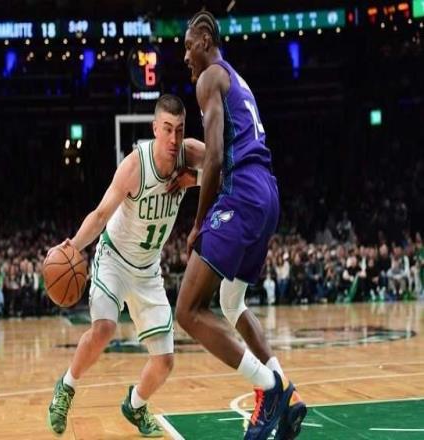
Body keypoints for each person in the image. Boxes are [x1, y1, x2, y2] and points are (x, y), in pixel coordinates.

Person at [178, 10, 306, 440]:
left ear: (206, 39)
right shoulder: (237, 80)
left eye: (188, 45)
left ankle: (268, 388)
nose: (185, 56)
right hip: (267, 193)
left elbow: (215, 157)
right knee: (231, 302)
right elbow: (222, 151)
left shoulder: (209, 77)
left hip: (243, 194)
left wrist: (198, 224)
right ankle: (286, 391)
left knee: (187, 310)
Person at [47, 94, 205, 437]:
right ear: (155, 128)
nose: (174, 138)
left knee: (165, 361)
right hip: (114, 259)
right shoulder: (135, 166)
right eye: (167, 129)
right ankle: (66, 387)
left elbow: (229, 169)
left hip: (148, 270)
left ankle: (134, 405)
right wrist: (73, 246)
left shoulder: (191, 153)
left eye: (179, 129)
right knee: (104, 328)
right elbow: (101, 214)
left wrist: (195, 178)